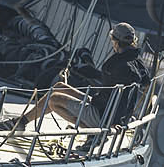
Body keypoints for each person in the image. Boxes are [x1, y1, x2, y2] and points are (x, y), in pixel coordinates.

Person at [17, 22, 150, 129]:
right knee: (59, 86)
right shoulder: (138, 61)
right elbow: (145, 83)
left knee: (55, 99)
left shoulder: (115, 64)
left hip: (104, 116)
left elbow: (116, 88)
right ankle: (22, 121)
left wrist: (114, 122)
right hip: (108, 109)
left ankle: (92, 133)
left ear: (115, 41)